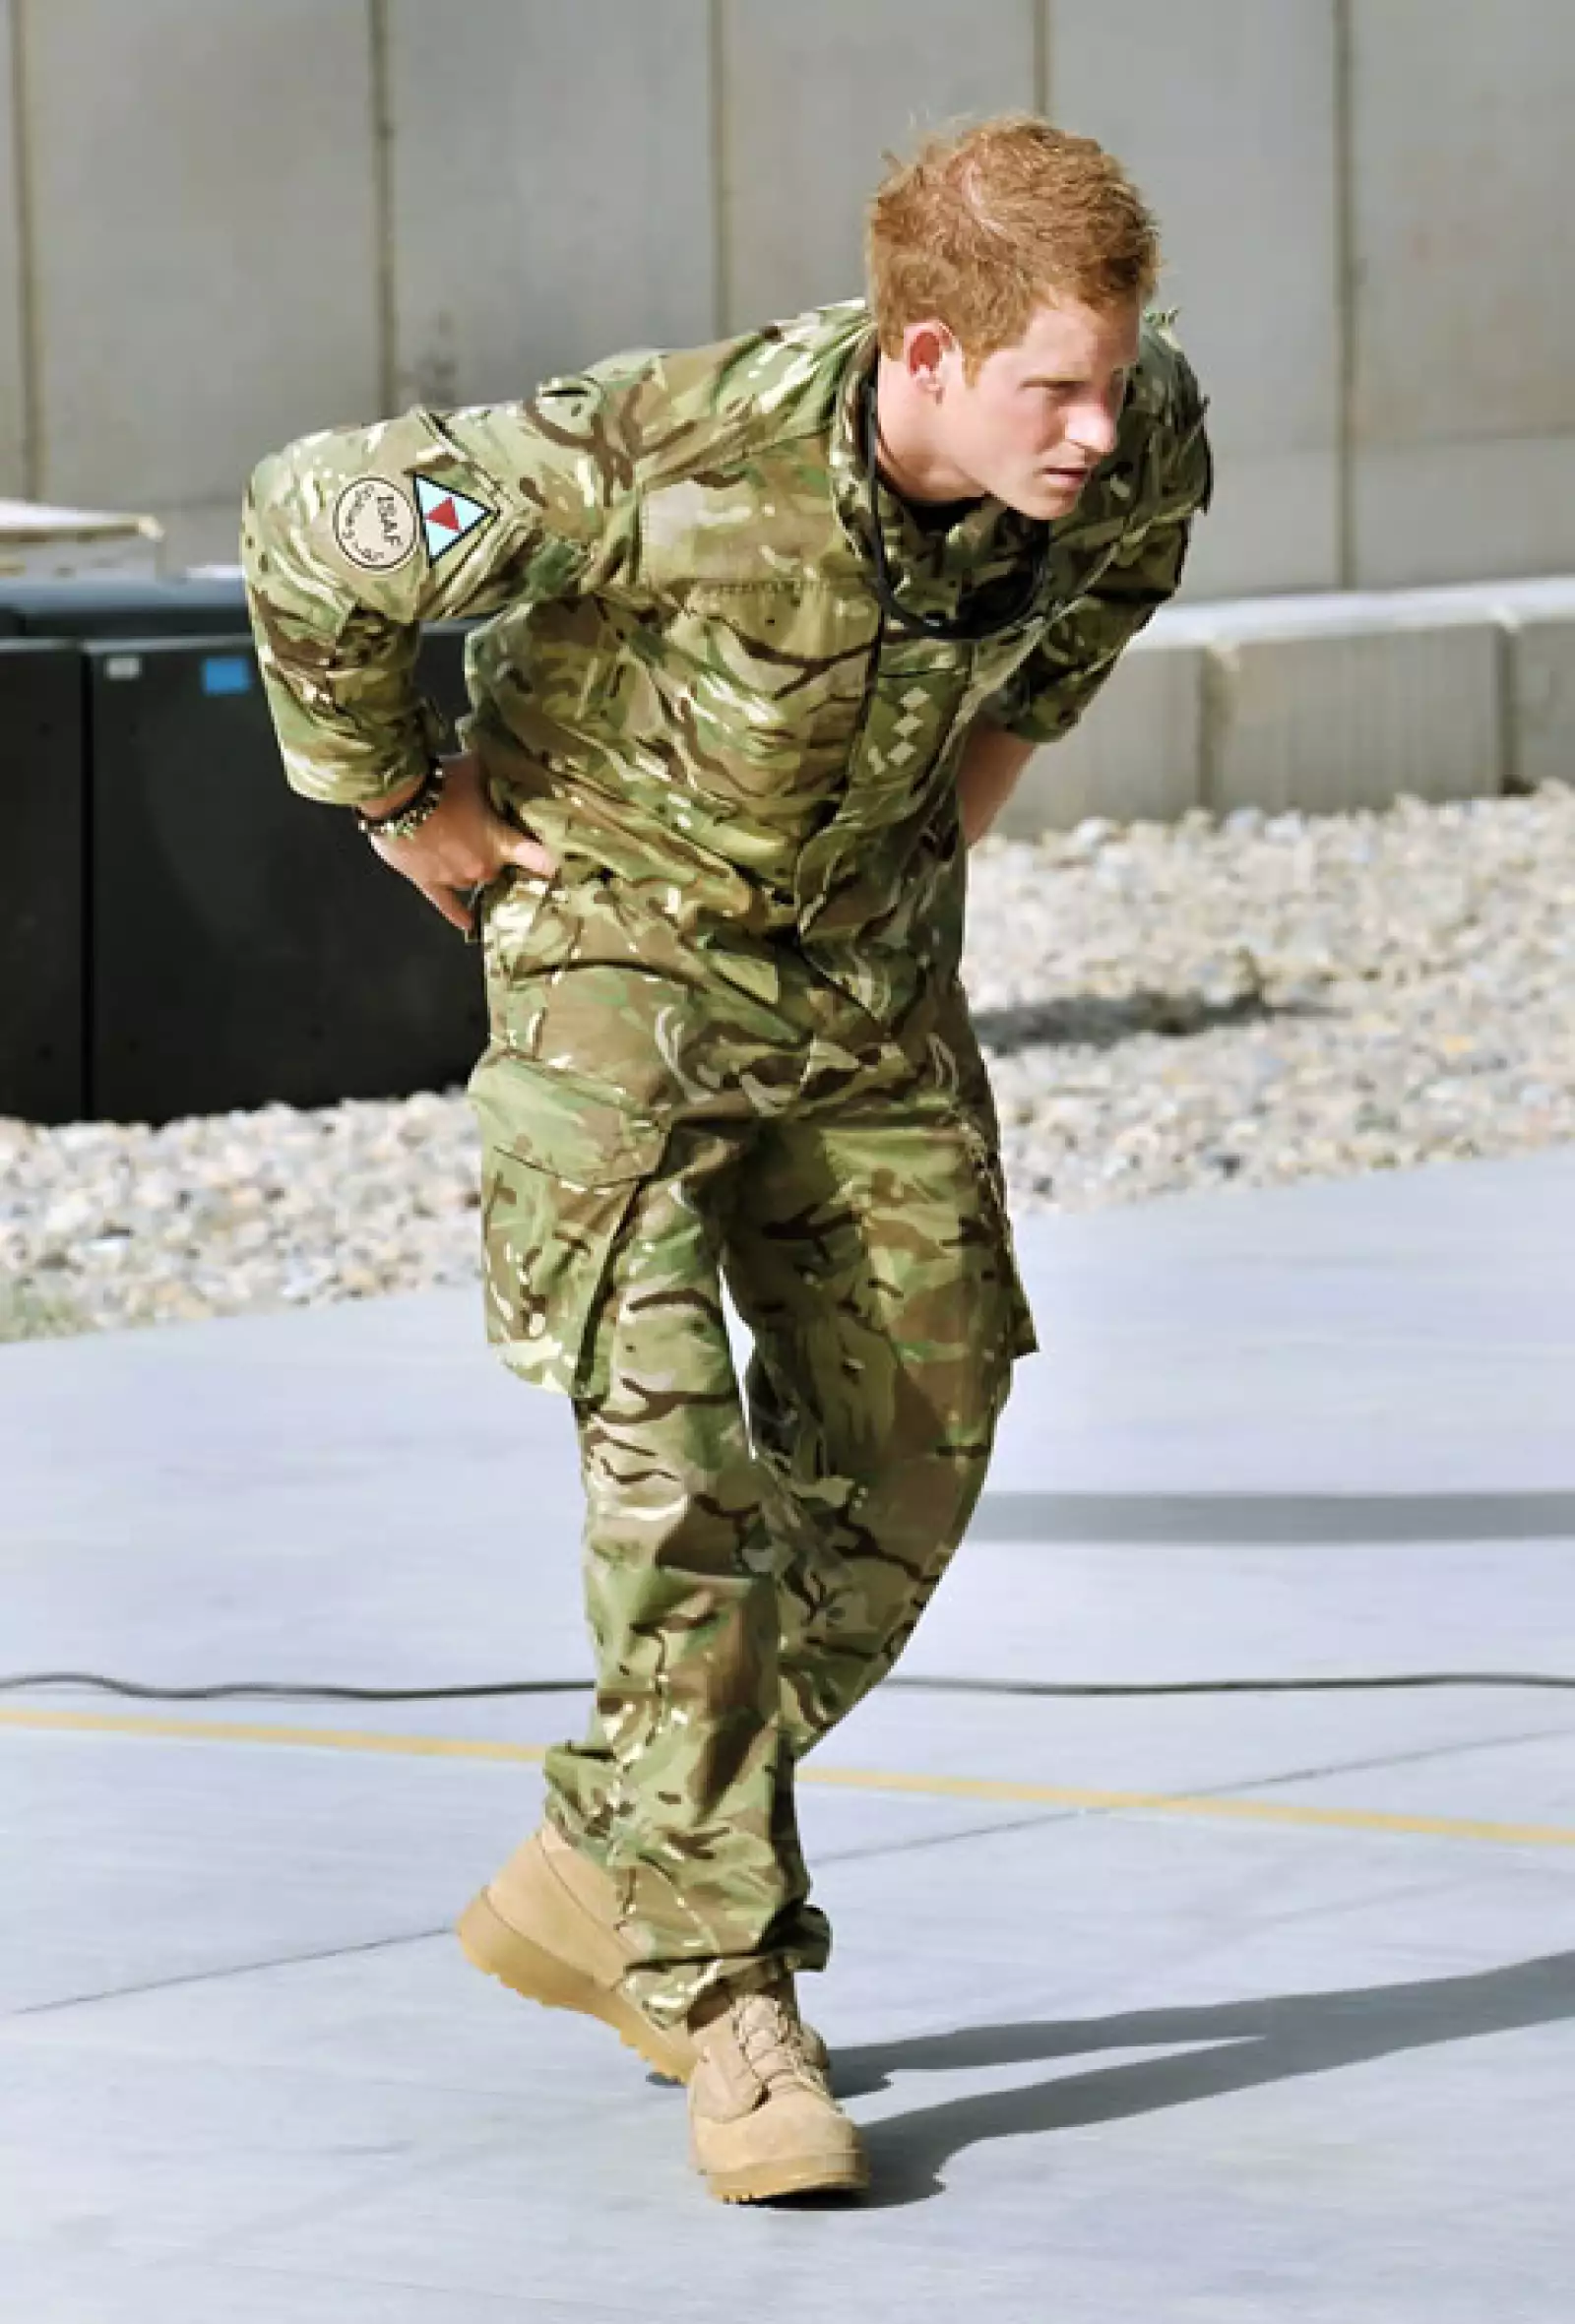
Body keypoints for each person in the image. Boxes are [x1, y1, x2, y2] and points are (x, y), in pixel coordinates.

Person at [241, 113, 1212, 2206]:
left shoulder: (1128, 447)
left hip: (863, 986)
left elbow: (1083, 616)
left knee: (915, 1442)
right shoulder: (652, 454)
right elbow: (313, 519)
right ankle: (729, 1995)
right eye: (1053, 386)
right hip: (616, 968)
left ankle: (610, 1856)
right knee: (673, 1467)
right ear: (924, 351)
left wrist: (942, 819)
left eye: (1113, 377)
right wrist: (397, 797)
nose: (1095, 426)